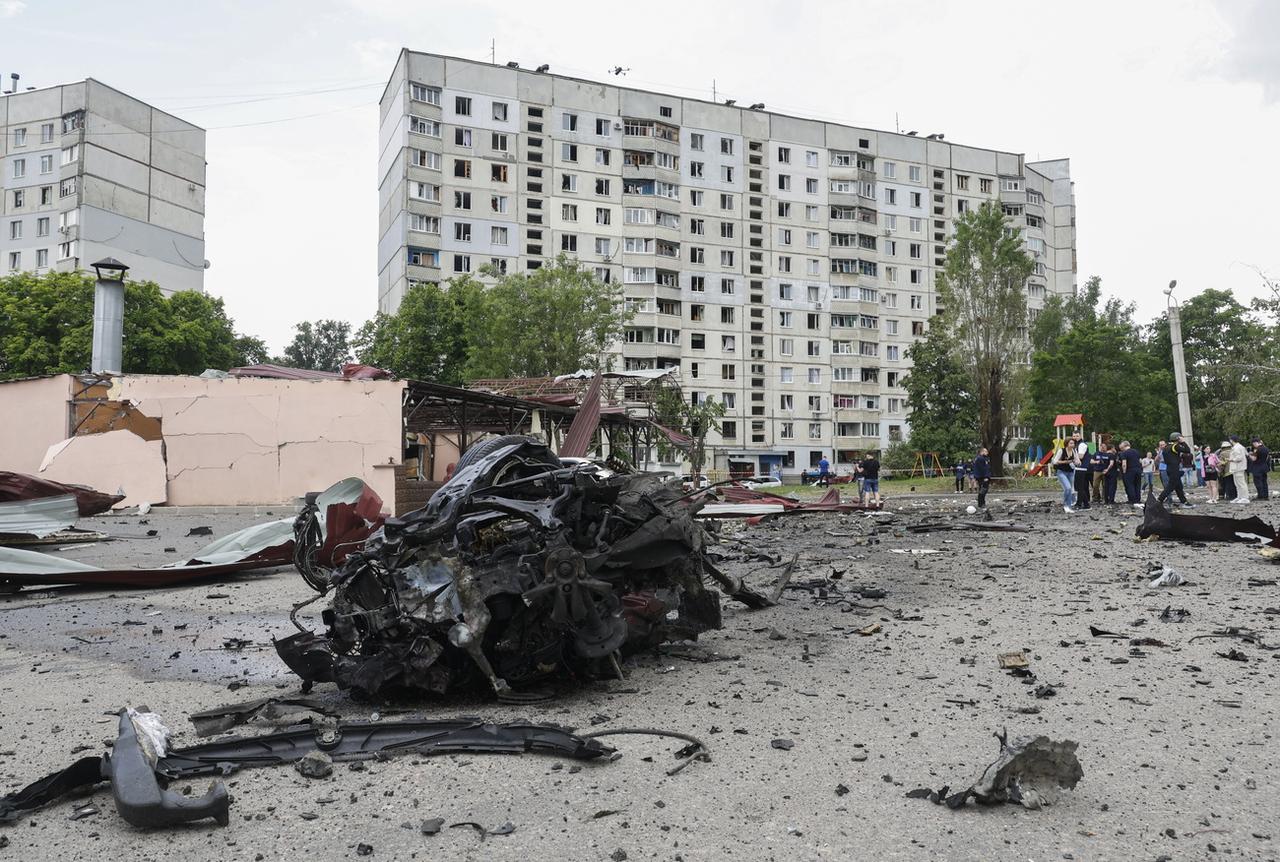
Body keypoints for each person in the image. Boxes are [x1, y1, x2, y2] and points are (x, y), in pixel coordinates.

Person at [1158, 432, 1191, 508]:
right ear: (1177, 438)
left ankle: (1184, 502)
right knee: (1170, 487)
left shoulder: (1166, 448)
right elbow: (1187, 450)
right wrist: (1183, 442)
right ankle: (1159, 500)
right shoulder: (1175, 446)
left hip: (1169, 468)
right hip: (1174, 469)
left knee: (1179, 487)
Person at [1053, 437, 1078, 512]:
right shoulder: (1061, 450)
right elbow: (1055, 461)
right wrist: (1065, 462)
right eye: (1071, 443)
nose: (1072, 445)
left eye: (1073, 443)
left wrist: (1077, 462)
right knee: (1068, 488)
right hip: (1061, 471)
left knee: (1070, 489)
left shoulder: (1074, 451)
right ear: (1066, 443)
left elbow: (1076, 461)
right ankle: (1066, 505)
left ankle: (1069, 507)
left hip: (1071, 472)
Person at [1118, 441, 1142, 505]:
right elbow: (1140, 461)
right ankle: (1138, 499)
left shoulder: (1124, 453)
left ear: (1124, 446)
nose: (1121, 449)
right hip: (1138, 470)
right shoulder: (1136, 451)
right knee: (1137, 485)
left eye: (1121, 448)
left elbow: (1124, 464)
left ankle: (1132, 500)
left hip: (1129, 470)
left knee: (1130, 485)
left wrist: (1124, 472)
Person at [1228, 435, 1250, 504]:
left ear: (1231, 440)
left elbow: (1239, 458)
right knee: (1237, 483)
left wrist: (1231, 459)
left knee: (1241, 483)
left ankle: (1245, 497)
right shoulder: (1239, 447)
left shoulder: (1238, 447)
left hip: (1239, 467)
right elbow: (1246, 454)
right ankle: (1239, 497)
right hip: (1236, 468)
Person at [1072, 438, 1093, 510]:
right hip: (1079, 468)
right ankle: (1086, 504)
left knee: (1079, 487)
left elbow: (1081, 456)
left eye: (1077, 435)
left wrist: (1072, 458)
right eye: (1074, 436)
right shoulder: (1078, 445)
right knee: (1079, 487)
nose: (1075, 437)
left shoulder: (1082, 445)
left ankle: (1079, 504)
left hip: (1081, 468)